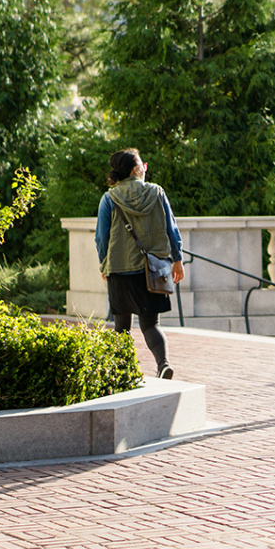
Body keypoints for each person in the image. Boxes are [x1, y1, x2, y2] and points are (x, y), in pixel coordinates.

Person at [95, 148, 185, 379]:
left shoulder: (109, 198)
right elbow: (171, 228)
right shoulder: (157, 193)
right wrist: (177, 259)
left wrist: (104, 263)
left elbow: (101, 237)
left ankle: (121, 371)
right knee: (150, 324)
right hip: (152, 269)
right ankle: (163, 364)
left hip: (119, 268)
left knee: (121, 325)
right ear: (137, 169)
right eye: (143, 165)